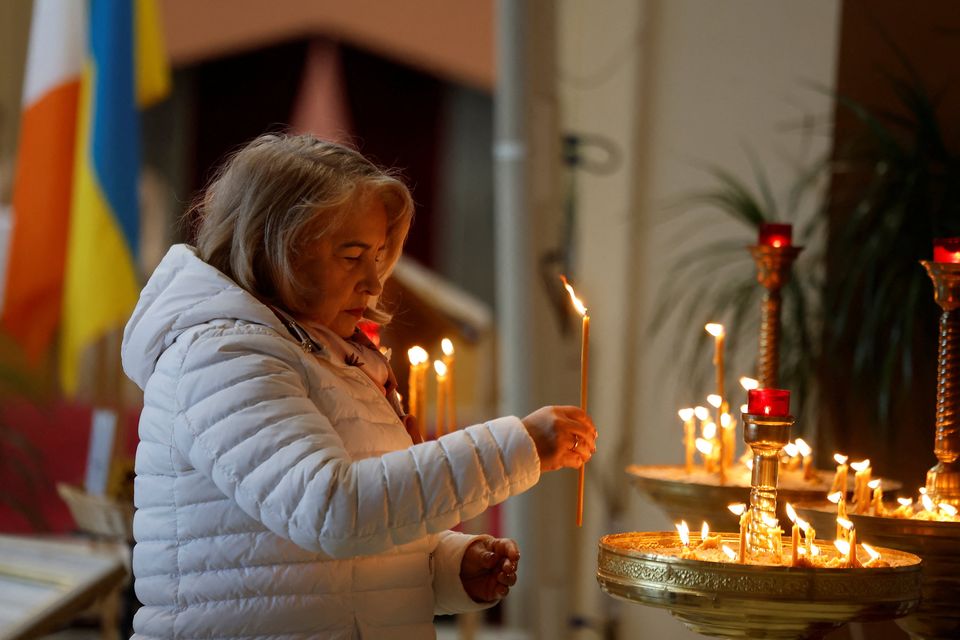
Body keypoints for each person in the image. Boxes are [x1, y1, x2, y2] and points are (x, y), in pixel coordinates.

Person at [121, 133, 597, 639]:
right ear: (277, 245)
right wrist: (516, 447)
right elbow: (330, 511)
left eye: (378, 255)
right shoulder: (222, 357)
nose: (374, 283)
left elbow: (332, 559)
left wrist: (445, 565)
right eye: (352, 256)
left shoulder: (324, 353)